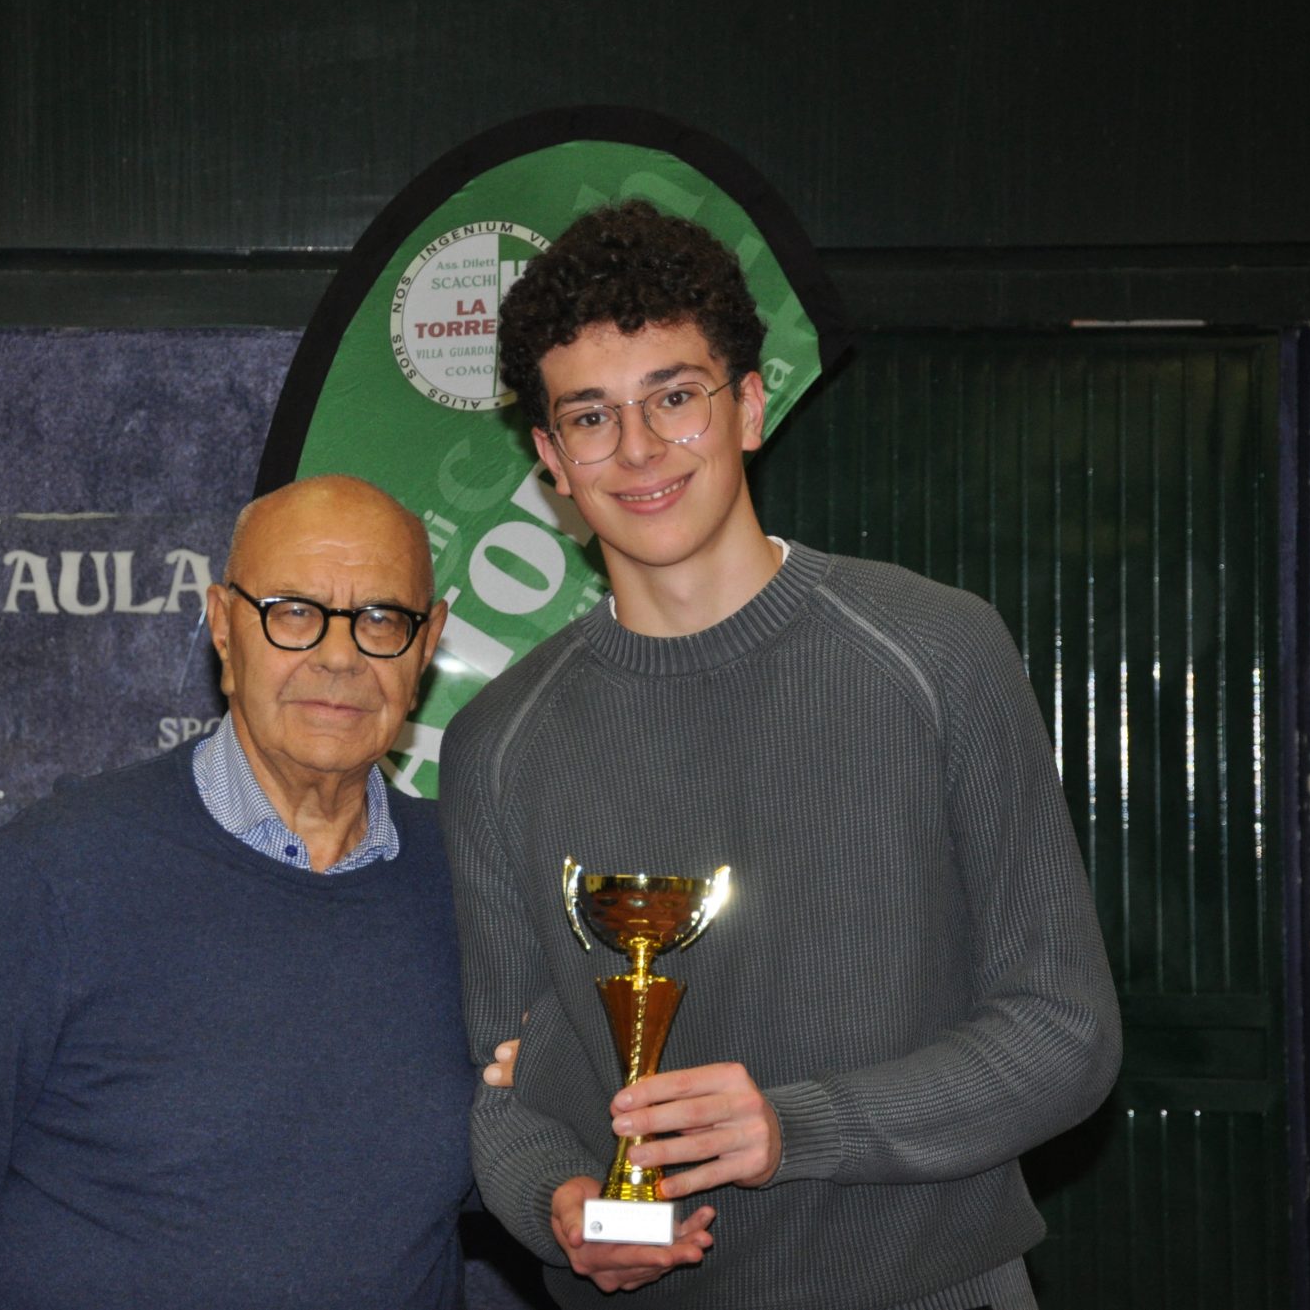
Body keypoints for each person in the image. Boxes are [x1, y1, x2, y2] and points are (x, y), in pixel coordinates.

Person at [440, 201, 1122, 1309]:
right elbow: (504, 1082)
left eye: (675, 396)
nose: (642, 449)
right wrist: (561, 1206)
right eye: (593, 417)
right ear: (552, 460)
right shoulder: (495, 742)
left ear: (750, 405)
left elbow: (1066, 1033)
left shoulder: (937, 650)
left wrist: (793, 1127)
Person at [0, 475, 487, 1309]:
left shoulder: (473, 882)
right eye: (292, 610)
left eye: (380, 618)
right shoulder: (57, 873)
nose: (338, 654)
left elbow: (497, 1176)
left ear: (425, 645)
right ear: (221, 624)